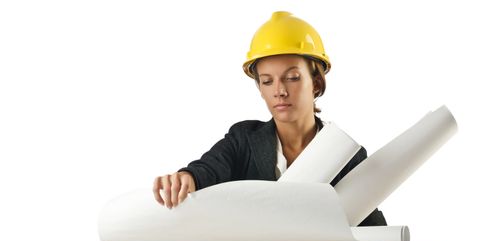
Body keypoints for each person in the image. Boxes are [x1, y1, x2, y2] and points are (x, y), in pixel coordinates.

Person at [152, 11, 386, 226]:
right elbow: (209, 169)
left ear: (315, 83)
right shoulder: (243, 140)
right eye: (267, 81)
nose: (279, 91)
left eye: (292, 78)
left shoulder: (346, 154)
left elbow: (372, 230)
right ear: (260, 89)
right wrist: (186, 178)